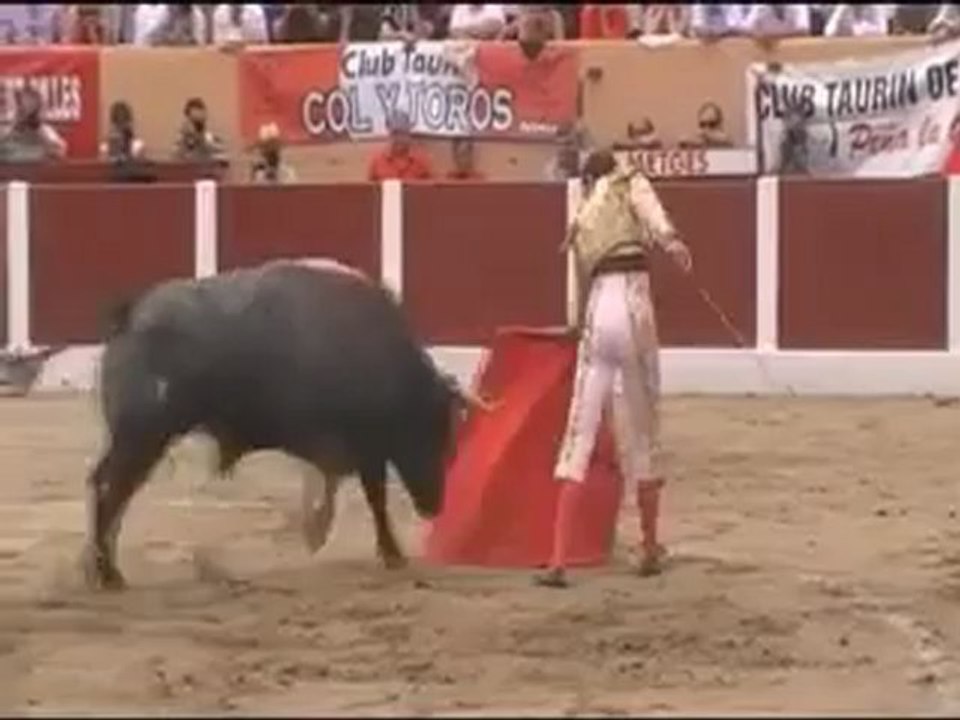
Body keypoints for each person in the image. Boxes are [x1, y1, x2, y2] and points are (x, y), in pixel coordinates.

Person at [535, 149, 693, 589]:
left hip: (597, 310)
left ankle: (559, 558)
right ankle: (648, 548)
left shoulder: (584, 211)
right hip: (634, 304)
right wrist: (672, 240)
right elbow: (653, 214)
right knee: (644, 432)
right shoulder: (628, 182)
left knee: (577, 437)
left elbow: (576, 276)